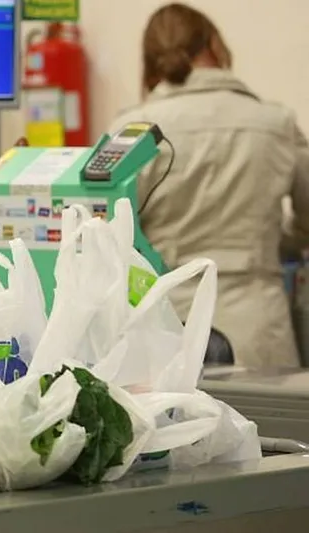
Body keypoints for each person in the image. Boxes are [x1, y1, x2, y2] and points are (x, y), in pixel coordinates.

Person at [108, 3, 309, 369]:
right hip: (258, 330)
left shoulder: (131, 130)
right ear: (214, 44)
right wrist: (275, 242)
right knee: (269, 425)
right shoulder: (276, 123)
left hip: (161, 329)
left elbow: (106, 235)